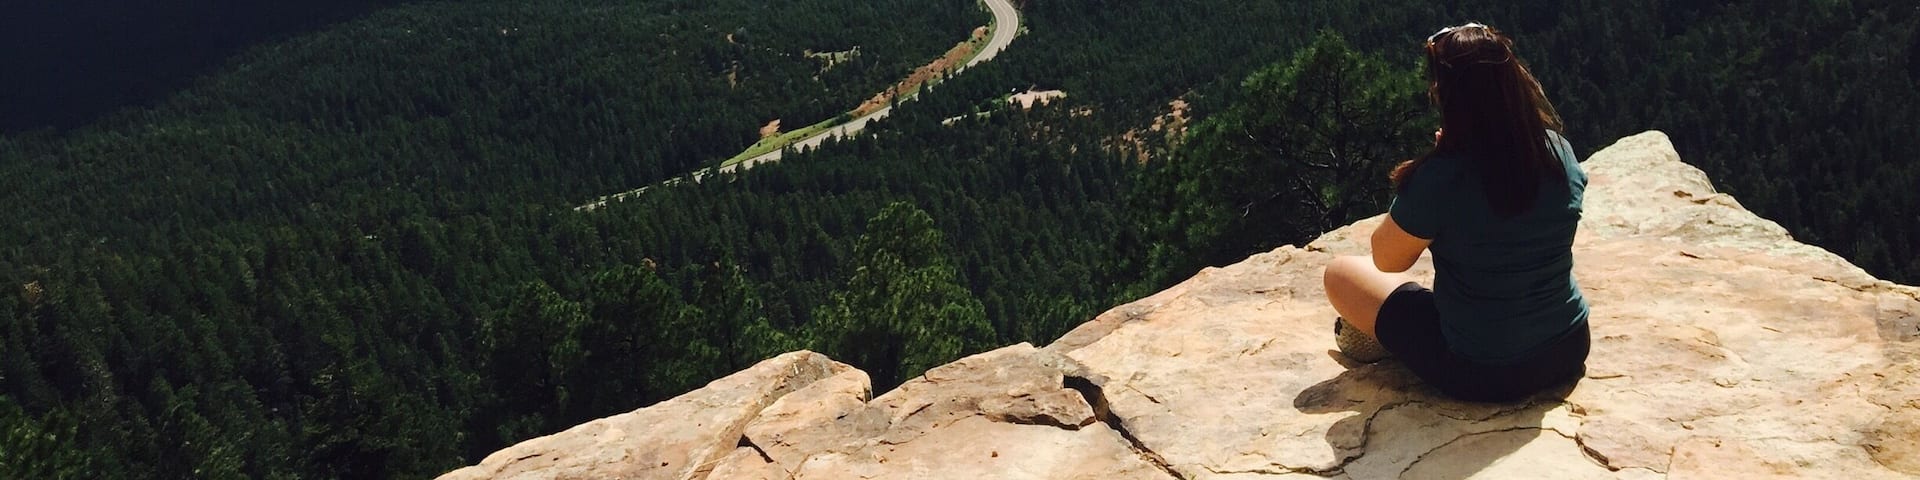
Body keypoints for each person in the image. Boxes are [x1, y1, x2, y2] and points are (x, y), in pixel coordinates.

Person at [1320, 22, 1590, 402]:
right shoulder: (1558, 151)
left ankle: (1385, 340)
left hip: (1483, 372)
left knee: (1341, 273)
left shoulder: (1443, 177)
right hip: (1568, 345)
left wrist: (1434, 165)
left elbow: (1386, 259)